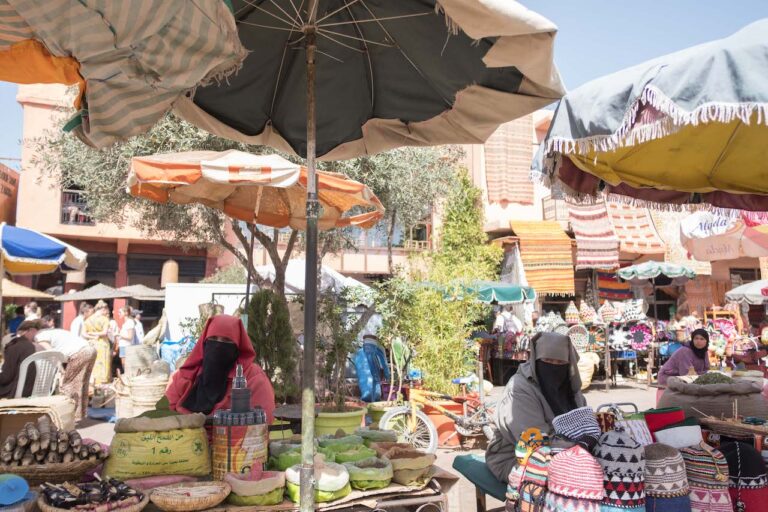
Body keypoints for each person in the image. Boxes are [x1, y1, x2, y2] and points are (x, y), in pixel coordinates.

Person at [485, 332, 585, 482]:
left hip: (567, 454)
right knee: (576, 480)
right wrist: (580, 449)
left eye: (560, 363)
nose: (553, 368)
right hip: (516, 456)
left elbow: (585, 425)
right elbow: (535, 440)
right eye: (547, 361)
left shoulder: (570, 389)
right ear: (536, 361)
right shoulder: (520, 388)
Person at [165, 314, 275, 422]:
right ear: (204, 343)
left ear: (237, 348)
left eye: (226, 341)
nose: (218, 346)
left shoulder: (253, 378)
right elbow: (164, 414)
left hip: (232, 438)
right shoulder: (185, 377)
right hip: (187, 437)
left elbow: (263, 420)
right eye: (213, 339)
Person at [35, 316, 96, 419]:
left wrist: (61, 370)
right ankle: (80, 415)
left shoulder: (39, 336)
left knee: (69, 385)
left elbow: (52, 353)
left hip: (80, 352)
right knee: (81, 384)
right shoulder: (54, 331)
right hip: (90, 349)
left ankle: (69, 416)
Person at [0, 320, 43, 398]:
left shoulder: (15, 347)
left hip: (16, 391)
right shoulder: (37, 347)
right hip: (33, 390)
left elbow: (6, 377)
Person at [83, 300, 111, 385]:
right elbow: (105, 333)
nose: (107, 312)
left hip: (92, 344)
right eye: (106, 310)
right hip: (103, 344)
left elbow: (84, 333)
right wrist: (96, 334)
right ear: (103, 309)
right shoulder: (104, 319)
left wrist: (91, 336)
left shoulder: (88, 320)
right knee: (103, 366)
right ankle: (101, 387)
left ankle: (93, 385)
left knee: (94, 365)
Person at [116, 305, 136, 370]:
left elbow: (130, 337)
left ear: (126, 313)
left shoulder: (130, 322)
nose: (118, 314)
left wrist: (120, 335)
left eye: (120, 312)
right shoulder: (126, 323)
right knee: (123, 364)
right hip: (123, 345)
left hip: (126, 346)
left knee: (125, 365)